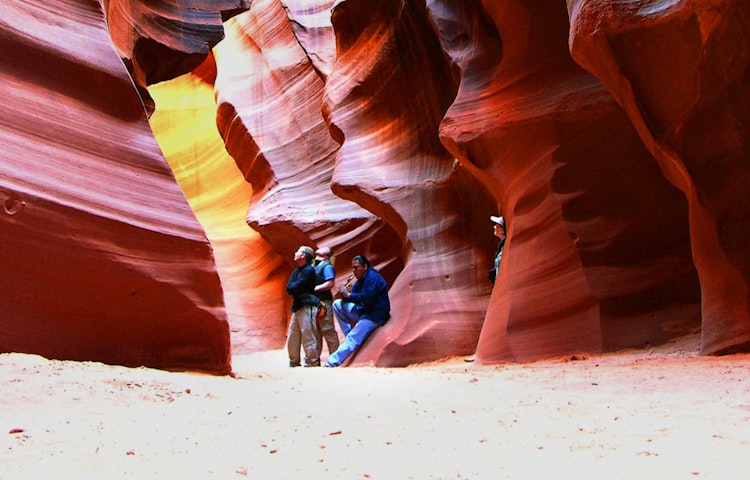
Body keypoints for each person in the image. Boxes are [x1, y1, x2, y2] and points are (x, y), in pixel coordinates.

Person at [325, 255, 390, 367]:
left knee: (353, 339)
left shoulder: (372, 278)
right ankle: (349, 334)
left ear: (365, 266)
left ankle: (332, 362)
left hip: (374, 315)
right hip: (363, 311)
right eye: (352, 268)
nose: (354, 270)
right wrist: (344, 295)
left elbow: (368, 298)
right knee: (337, 304)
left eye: (356, 267)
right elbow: (355, 299)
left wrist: (349, 294)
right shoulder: (360, 280)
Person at [285, 246, 321, 367]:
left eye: (298, 252)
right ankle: (294, 360)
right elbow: (289, 287)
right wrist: (294, 288)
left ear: (303, 256)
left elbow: (296, 286)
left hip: (307, 305)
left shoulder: (309, 270)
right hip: (297, 305)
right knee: (292, 335)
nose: (295, 253)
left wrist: (294, 288)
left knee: (308, 332)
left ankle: (312, 360)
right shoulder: (297, 271)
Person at [313, 246, 340, 359]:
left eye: (325, 248)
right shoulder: (313, 265)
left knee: (327, 329)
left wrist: (314, 288)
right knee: (315, 331)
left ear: (326, 255)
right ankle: (314, 359)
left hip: (323, 302)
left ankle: (336, 357)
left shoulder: (327, 266)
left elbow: (330, 283)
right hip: (313, 302)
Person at [488, 215, 506, 285]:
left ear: (502, 229)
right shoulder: (502, 245)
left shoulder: (505, 245)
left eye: (497, 225)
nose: (494, 227)